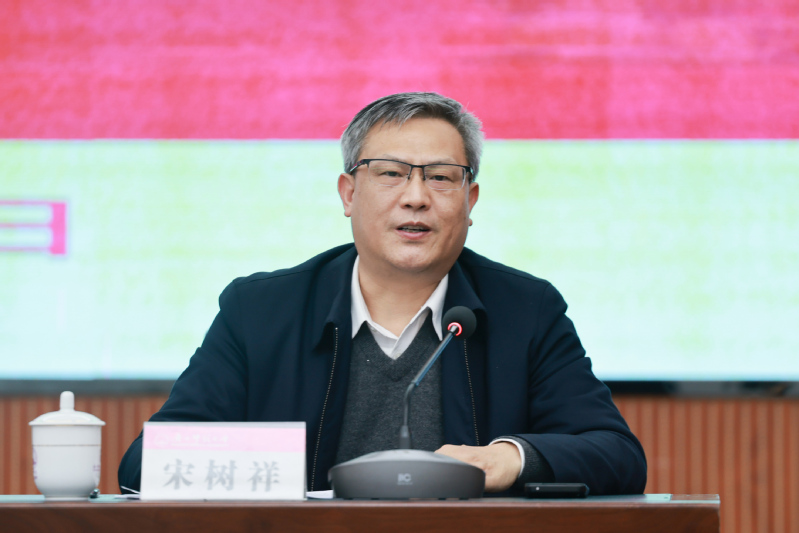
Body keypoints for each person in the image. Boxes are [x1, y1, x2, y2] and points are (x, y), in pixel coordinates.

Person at [119, 92, 647, 495]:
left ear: (470, 201)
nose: (415, 197)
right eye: (391, 174)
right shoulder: (260, 311)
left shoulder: (526, 310)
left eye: (441, 178)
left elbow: (617, 455)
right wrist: (273, 468)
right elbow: (145, 464)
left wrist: (508, 457)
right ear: (349, 194)